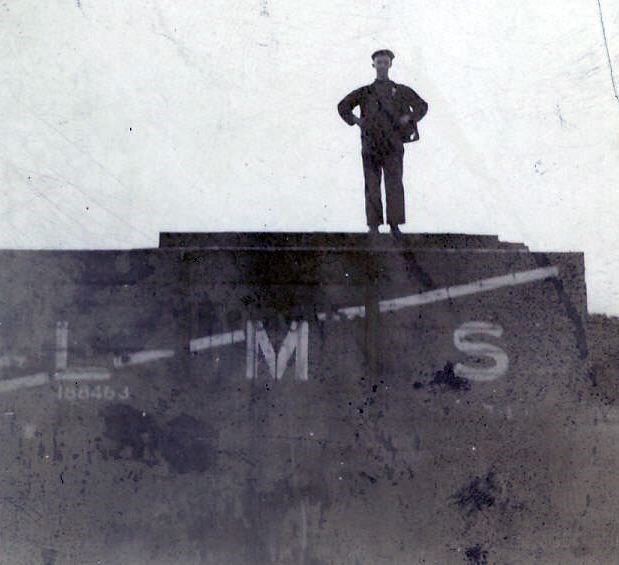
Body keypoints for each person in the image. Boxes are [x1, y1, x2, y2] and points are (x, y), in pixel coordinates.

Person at [337, 49, 428, 235]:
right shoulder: (364, 92)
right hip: (370, 145)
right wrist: (357, 121)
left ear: (390, 65)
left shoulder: (400, 90)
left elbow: (422, 106)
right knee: (372, 184)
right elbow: (343, 106)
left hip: (393, 145)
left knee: (394, 184)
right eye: (379, 62)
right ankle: (373, 226)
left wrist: (408, 118)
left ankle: (394, 226)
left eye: (385, 62)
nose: (382, 66)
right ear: (373, 65)